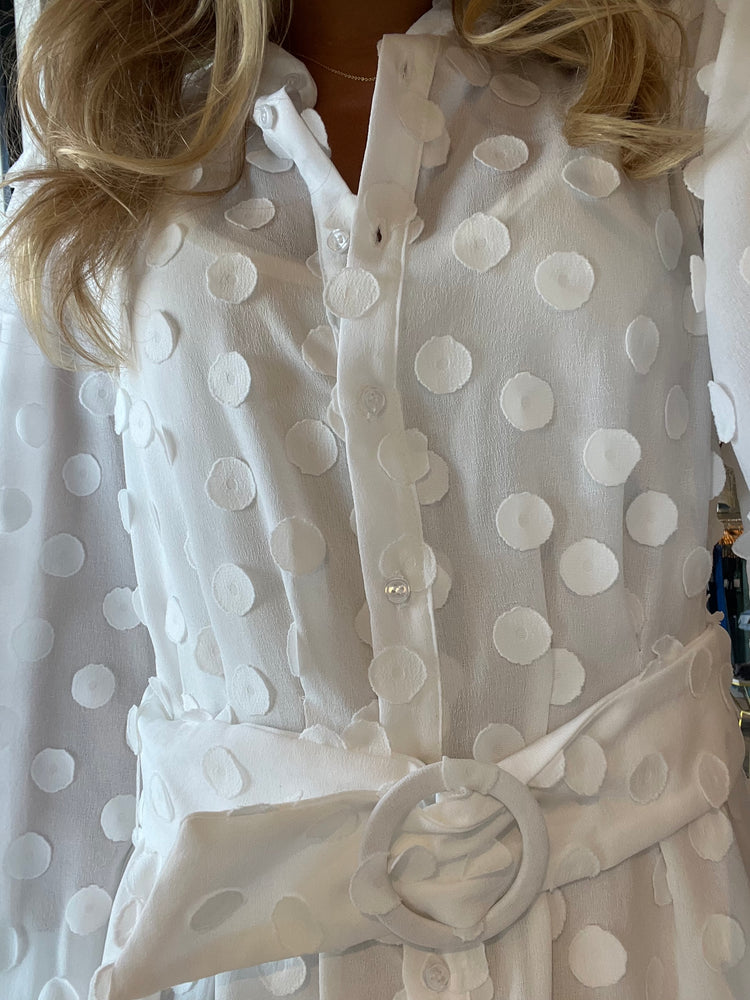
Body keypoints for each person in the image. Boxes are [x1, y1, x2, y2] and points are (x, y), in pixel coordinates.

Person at [1, 0, 750, 997]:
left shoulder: (678, 45)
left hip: (650, 931)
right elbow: (70, 645)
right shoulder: (102, 97)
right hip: (244, 960)